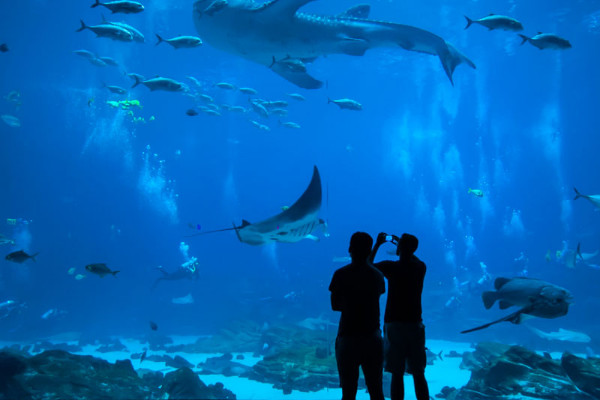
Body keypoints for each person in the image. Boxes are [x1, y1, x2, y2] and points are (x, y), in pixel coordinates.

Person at [369, 232, 429, 400]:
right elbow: (412, 257)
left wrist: (378, 244)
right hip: (415, 323)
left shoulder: (391, 267)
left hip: (394, 324)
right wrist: (399, 243)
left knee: (397, 373)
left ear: (400, 248)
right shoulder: (420, 267)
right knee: (418, 373)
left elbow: (367, 266)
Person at [329, 232, 386, 400]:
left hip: (348, 337)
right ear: (369, 251)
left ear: (349, 249)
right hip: (372, 338)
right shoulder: (377, 275)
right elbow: (379, 291)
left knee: (348, 391)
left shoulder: (340, 274)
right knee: (376, 390)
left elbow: (334, 306)